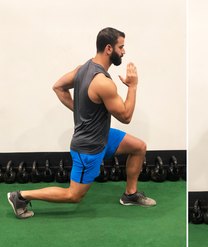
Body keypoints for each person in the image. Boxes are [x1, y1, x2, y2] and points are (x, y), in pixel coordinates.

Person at [7, 27, 156, 219]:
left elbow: (58, 87)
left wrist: (82, 111)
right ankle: (20, 196)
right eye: (121, 47)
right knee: (74, 195)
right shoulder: (102, 82)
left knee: (139, 147)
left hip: (102, 136)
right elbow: (126, 117)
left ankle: (130, 194)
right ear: (109, 48)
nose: (124, 52)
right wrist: (133, 86)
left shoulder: (83, 68)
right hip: (88, 147)